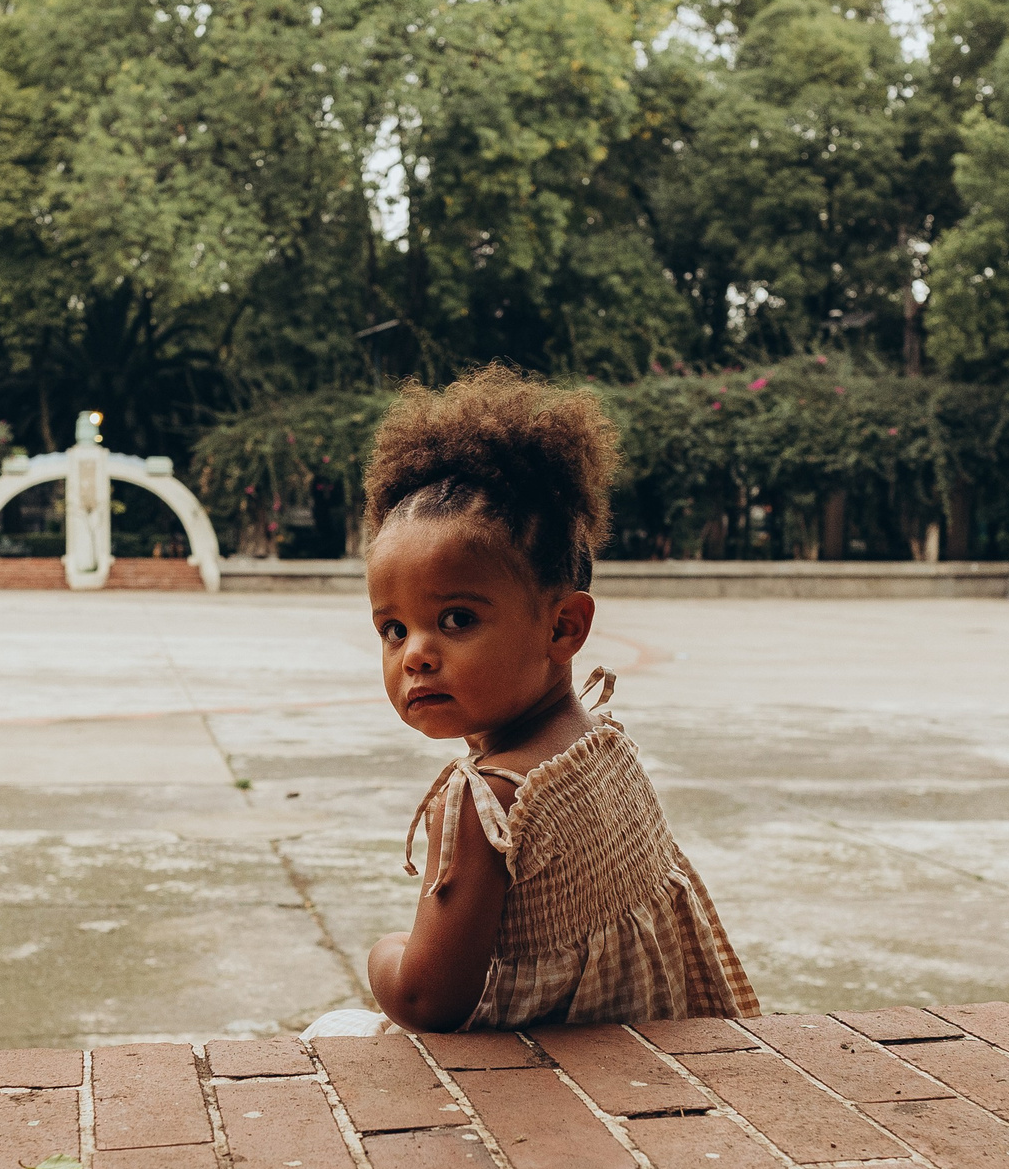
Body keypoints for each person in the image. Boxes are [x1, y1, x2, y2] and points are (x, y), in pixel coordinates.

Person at [301, 366, 758, 1039]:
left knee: (329, 1033)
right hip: (629, 1038)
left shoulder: (488, 799)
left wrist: (382, 955)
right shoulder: (599, 744)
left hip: (537, 1064)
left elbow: (430, 1000)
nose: (415, 654)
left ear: (563, 627)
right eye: (393, 629)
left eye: (456, 619)